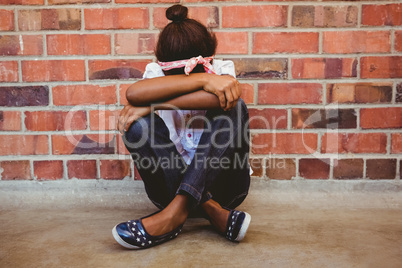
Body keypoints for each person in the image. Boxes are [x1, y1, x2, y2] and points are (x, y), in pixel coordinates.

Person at [113, 4, 251, 249]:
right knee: (136, 126)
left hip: (227, 191)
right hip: (166, 191)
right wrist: (201, 80)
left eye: (200, 74)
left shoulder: (221, 70)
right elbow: (134, 93)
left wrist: (152, 105)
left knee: (234, 107)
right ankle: (208, 209)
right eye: (178, 78)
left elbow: (223, 98)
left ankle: (175, 213)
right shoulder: (156, 72)